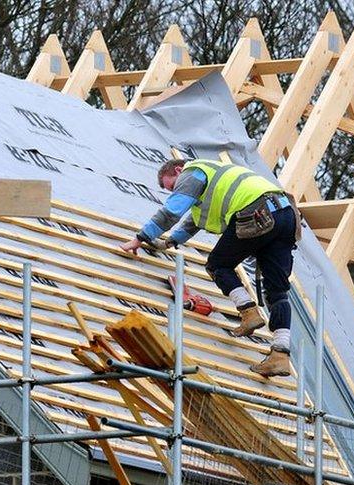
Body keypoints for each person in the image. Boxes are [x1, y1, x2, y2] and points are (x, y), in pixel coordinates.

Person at [119, 158, 301, 377]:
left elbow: (171, 212)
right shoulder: (216, 178)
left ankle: (248, 312)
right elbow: (194, 221)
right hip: (286, 213)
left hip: (257, 211)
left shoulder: (193, 172)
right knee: (278, 293)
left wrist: (140, 238)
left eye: (172, 186)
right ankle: (280, 356)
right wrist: (168, 242)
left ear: (178, 170)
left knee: (218, 265)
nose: (174, 192)